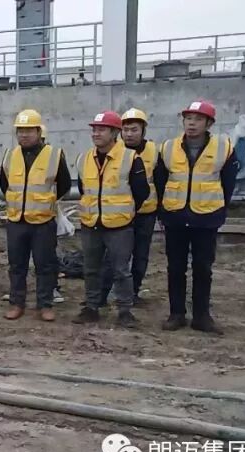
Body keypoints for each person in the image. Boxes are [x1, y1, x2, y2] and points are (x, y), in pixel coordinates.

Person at [155, 100, 239, 334]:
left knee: (203, 268)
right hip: (175, 216)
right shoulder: (168, 148)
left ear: (209, 123)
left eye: (198, 119)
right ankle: (177, 314)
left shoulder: (223, 148)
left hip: (206, 218)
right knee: (175, 267)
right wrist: (164, 211)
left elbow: (228, 183)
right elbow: (161, 182)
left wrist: (219, 211)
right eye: (188, 119)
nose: (192, 124)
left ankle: (202, 316)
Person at [72, 111, 150, 328]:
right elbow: (84, 189)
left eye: (102, 130)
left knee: (121, 270)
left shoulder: (130, 159)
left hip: (119, 225)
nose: (96, 134)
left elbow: (141, 192)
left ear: (115, 133)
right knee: (91, 268)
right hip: (91, 223)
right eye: (94, 130)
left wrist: (123, 211)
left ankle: (124, 310)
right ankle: (92, 307)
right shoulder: (84, 159)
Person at [0, 109, 71, 322]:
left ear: (39, 132)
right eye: (20, 130)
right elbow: (4, 184)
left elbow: (64, 184)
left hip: (43, 221)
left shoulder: (54, 155)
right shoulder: (10, 155)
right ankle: (17, 303)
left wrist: (44, 202)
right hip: (16, 221)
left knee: (45, 265)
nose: (24, 135)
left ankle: (45, 305)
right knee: (16, 265)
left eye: (29, 130)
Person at [99, 108, 158, 306]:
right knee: (112, 258)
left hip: (145, 213)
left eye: (134, 130)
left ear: (143, 131)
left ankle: (133, 294)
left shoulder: (154, 152)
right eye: (126, 130)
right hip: (117, 215)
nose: (129, 134)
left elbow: (159, 181)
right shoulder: (113, 151)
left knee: (140, 256)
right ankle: (102, 295)